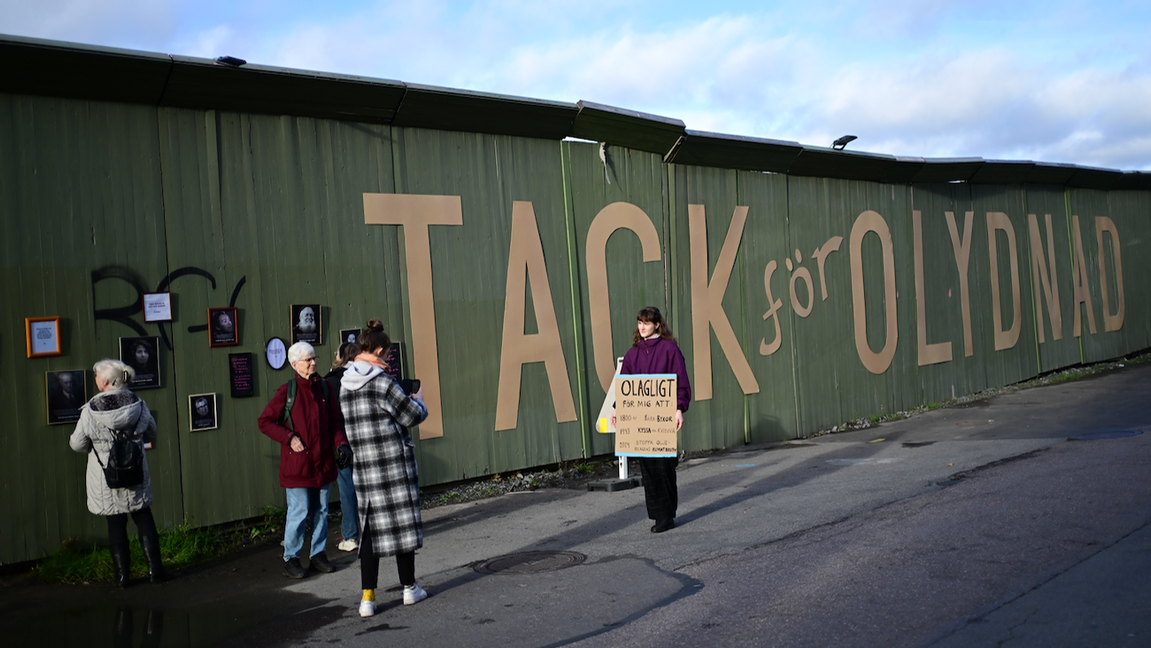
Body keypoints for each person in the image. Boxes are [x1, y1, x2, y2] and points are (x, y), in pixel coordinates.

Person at [340, 320, 429, 617]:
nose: (389, 358)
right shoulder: (383, 383)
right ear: (378, 350)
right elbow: (409, 417)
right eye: (387, 353)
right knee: (401, 526)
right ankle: (409, 589)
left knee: (369, 534)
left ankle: (368, 598)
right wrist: (420, 401)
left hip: (364, 468)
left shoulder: (345, 384)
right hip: (392, 465)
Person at [69, 359, 169, 586]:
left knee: (115, 523)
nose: (95, 379)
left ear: (105, 381)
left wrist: (96, 448)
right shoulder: (138, 405)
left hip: (106, 477)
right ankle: (155, 571)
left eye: (96, 375)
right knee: (143, 516)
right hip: (135, 472)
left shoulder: (90, 411)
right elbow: (151, 433)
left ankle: (123, 577)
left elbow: (77, 444)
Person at [257, 341, 350, 579]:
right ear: (294, 364)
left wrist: (341, 444)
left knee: (321, 510)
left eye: (314, 358)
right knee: (299, 511)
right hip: (298, 466)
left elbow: (334, 423)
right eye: (308, 359)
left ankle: (318, 554)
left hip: (323, 463)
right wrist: (288, 437)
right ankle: (292, 557)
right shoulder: (287, 391)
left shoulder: (325, 389)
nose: (313, 362)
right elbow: (265, 421)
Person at [612, 306, 691, 533]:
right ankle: (658, 515)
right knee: (648, 468)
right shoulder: (632, 354)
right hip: (640, 421)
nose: (642, 327)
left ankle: (667, 515)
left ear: (657, 324)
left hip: (662, 418)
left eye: (646, 322)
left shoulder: (670, 350)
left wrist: (679, 409)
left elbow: (681, 381)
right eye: (639, 322)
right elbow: (624, 388)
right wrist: (618, 409)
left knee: (664, 466)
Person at [324, 342, 362, 552]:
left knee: (346, 488)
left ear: (340, 356)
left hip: (342, 441)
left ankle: (350, 535)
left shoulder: (331, 381)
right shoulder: (365, 377)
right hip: (365, 438)